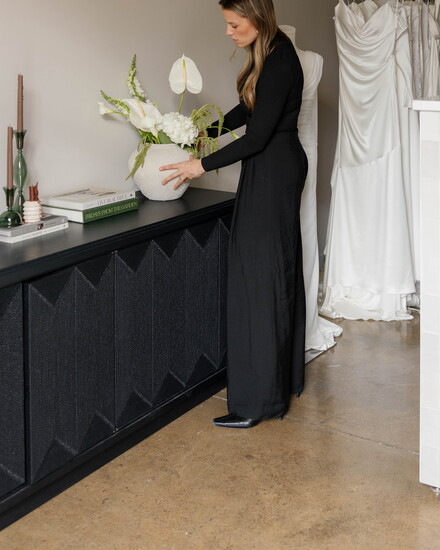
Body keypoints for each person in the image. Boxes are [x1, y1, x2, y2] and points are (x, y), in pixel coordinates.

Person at [160, 0, 307, 429]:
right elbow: (249, 111)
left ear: (257, 19)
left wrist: (200, 165)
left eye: (234, 24)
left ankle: (258, 402)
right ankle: (277, 386)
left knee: (259, 281)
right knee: (268, 274)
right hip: (273, 166)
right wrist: (206, 134)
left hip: (273, 169)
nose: (229, 32)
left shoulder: (279, 60)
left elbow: (258, 136)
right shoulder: (272, 52)